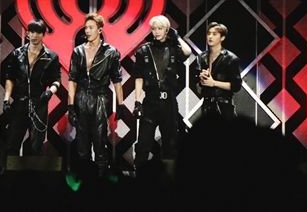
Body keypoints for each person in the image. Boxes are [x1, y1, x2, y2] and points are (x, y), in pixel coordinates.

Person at [68, 12, 125, 176]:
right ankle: (83, 180)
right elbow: (72, 79)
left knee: (100, 142)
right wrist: (70, 106)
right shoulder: (78, 51)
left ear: (100, 29)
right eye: (86, 27)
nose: (87, 31)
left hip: (100, 98)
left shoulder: (111, 52)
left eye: (91, 27)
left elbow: (117, 80)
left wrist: (121, 104)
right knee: (82, 144)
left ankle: (100, 181)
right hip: (81, 98)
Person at [133, 15, 192, 170]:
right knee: (143, 143)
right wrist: (137, 101)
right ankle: (139, 178)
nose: (157, 32)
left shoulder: (173, 48)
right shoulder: (144, 50)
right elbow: (139, 78)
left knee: (170, 143)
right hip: (150, 101)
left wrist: (177, 37)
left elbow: (187, 52)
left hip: (168, 102)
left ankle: (169, 178)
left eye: (160, 28)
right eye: (154, 29)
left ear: (167, 30)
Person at [2, 19, 61, 157]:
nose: (34, 35)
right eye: (32, 32)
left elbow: (56, 80)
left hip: (39, 104)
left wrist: (50, 92)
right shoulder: (17, 54)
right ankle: (10, 171)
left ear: (43, 34)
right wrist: (6, 99)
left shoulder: (51, 57)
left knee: (36, 146)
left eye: (38, 32)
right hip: (20, 103)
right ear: (28, 33)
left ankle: (34, 171)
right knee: (12, 143)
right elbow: (10, 77)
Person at [192, 22, 242, 119]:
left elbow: (236, 86)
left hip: (224, 107)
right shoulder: (201, 58)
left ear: (222, 38)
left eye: (214, 34)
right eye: (209, 33)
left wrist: (214, 83)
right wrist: (202, 82)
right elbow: (198, 89)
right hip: (207, 106)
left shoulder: (230, 59)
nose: (210, 36)